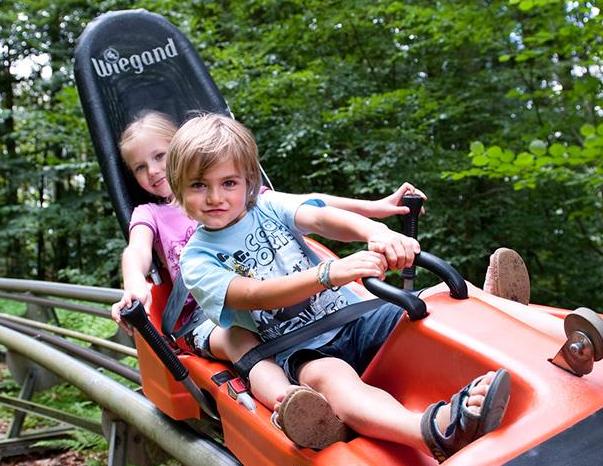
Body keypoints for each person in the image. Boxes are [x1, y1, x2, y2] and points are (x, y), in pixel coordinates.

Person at [168, 113, 512, 460]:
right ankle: (437, 429)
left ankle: (508, 315)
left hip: (354, 317)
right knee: (334, 382)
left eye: (228, 183)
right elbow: (252, 295)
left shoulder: (267, 206)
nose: (215, 196)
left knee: (432, 304)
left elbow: (321, 218)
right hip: (300, 348)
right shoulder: (196, 258)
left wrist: (375, 232)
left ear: (248, 180)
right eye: (198, 185)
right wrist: (327, 274)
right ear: (178, 188)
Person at [110, 110, 429, 411]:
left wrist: (375, 209)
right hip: (203, 315)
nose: (153, 171)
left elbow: (312, 206)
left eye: (160, 157)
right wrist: (135, 284)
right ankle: (290, 402)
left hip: (275, 288)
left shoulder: (246, 200)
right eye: (140, 167)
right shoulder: (150, 213)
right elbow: (136, 251)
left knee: (355, 292)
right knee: (237, 337)